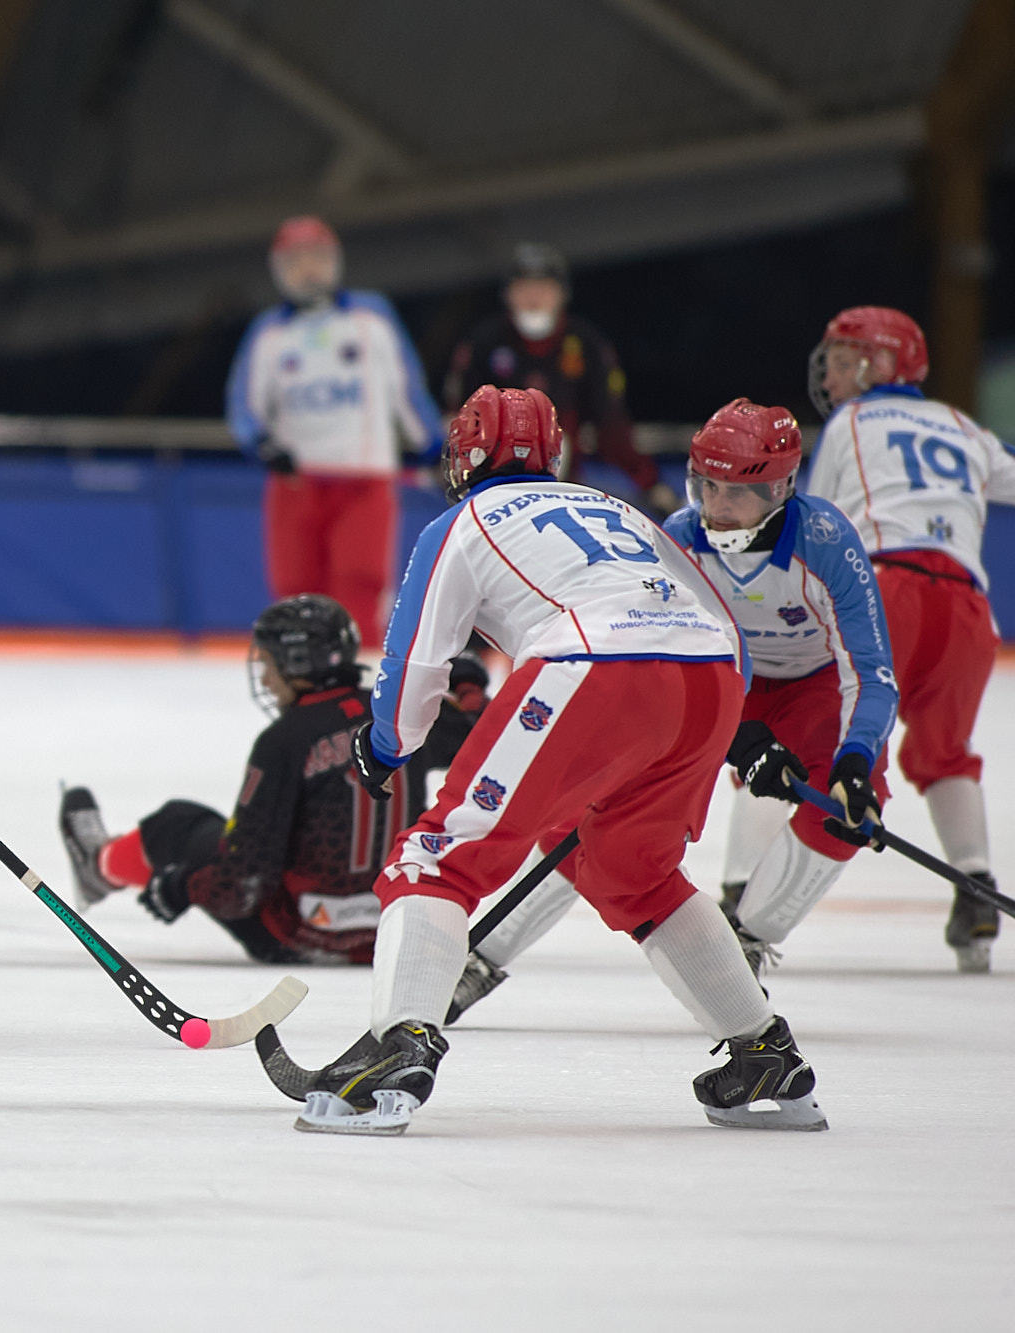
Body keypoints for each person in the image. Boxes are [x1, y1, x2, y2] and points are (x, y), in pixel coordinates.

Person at [292, 384, 828, 1136]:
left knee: (436, 858)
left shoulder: (463, 521)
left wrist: (383, 746)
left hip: (593, 663)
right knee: (639, 875)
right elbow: (720, 625)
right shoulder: (618, 508)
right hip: (709, 677)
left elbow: (414, 668)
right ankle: (763, 1049)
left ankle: (399, 1046)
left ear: (466, 452)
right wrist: (718, 731)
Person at [444, 399, 897, 1022]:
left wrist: (855, 761)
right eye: (704, 486)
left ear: (783, 489)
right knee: (592, 810)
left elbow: (869, 672)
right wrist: (740, 734)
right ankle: (480, 961)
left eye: (737, 493)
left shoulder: (825, 541)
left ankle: (747, 939)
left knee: (850, 804)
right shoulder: (677, 537)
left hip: (809, 686)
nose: (716, 508)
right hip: (709, 684)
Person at [58, 594, 487, 965]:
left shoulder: (284, 741)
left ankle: (100, 865)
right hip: (391, 931)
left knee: (180, 823)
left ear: (297, 664)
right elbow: (484, 732)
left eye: (267, 663)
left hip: (296, 935)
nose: (263, 677)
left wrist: (181, 885)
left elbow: (243, 883)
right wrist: (467, 683)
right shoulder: (402, 714)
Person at [805, 306, 1015, 972]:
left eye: (844, 361)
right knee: (947, 751)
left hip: (885, 586)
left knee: (819, 727)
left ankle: (743, 898)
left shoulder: (852, 422)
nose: (832, 376)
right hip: (968, 605)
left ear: (881, 364)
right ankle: (976, 885)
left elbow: (819, 523)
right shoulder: (961, 425)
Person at [225, 215, 442, 636]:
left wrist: (433, 445)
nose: (308, 269)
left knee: (360, 587)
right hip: (296, 484)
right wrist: (262, 445)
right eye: (295, 260)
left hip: (363, 481)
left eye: (317, 257)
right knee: (294, 593)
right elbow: (243, 405)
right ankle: (304, 696)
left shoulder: (371, 316)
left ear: (334, 262)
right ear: (279, 270)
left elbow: (406, 389)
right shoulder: (268, 332)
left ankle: (358, 694)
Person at [445, 242, 676, 515]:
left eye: (543, 287)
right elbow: (455, 419)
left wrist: (649, 482)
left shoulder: (587, 345)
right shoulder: (483, 343)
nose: (534, 297)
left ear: (561, 293)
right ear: (508, 294)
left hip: (563, 488)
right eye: (524, 287)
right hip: (490, 490)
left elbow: (612, 428)